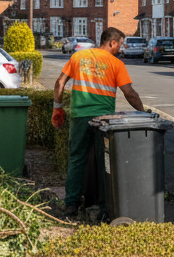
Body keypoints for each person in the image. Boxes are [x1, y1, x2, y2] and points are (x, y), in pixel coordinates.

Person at [52, 26, 146, 217]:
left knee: (77, 159)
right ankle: (104, 204)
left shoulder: (78, 57)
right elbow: (130, 93)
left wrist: (57, 107)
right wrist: (143, 113)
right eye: (119, 44)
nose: (120, 48)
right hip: (104, 120)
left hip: (80, 117)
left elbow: (60, 83)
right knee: (105, 160)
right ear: (112, 42)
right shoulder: (116, 63)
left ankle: (71, 203)